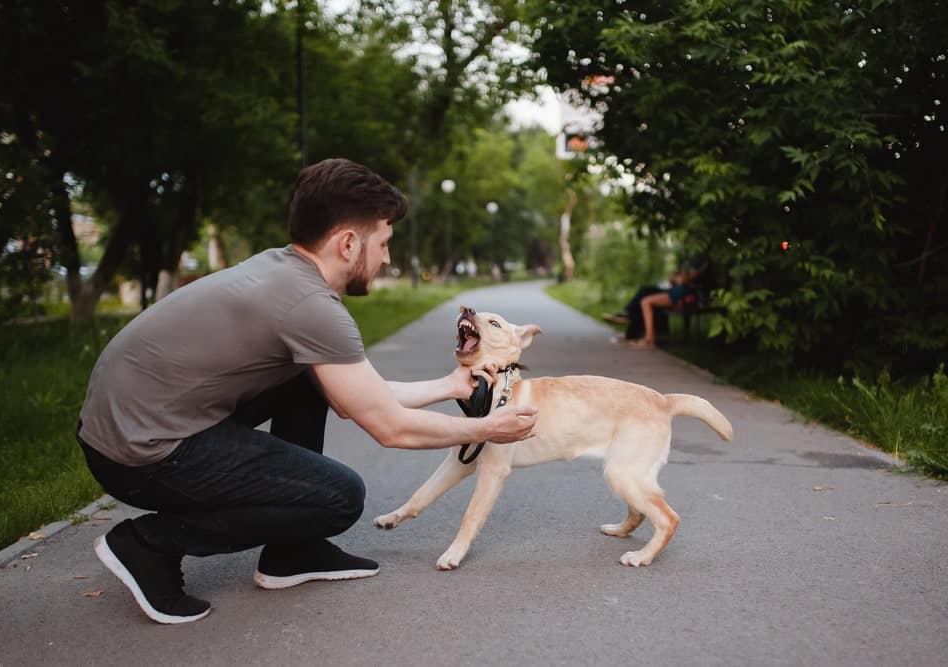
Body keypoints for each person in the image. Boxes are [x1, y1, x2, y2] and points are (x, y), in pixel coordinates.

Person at [76, 158, 539, 624]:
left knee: (306, 382)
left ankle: (293, 553)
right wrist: (486, 428)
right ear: (348, 243)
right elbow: (389, 427)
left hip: (126, 431)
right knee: (339, 496)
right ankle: (149, 544)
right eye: (384, 244)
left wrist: (448, 385)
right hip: (141, 456)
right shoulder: (311, 306)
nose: (388, 259)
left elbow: (361, 395)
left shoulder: (283, 271)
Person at [604, 256, 709, 349]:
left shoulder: (701, 260)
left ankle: (649, 340)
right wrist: (678, 278)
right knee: (645, 291)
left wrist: (680, 278)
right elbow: (675, 279)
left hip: (685, 294)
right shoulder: (689, 258)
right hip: (676, 290)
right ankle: (629, 321)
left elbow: (683, 280)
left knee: (645, 302)